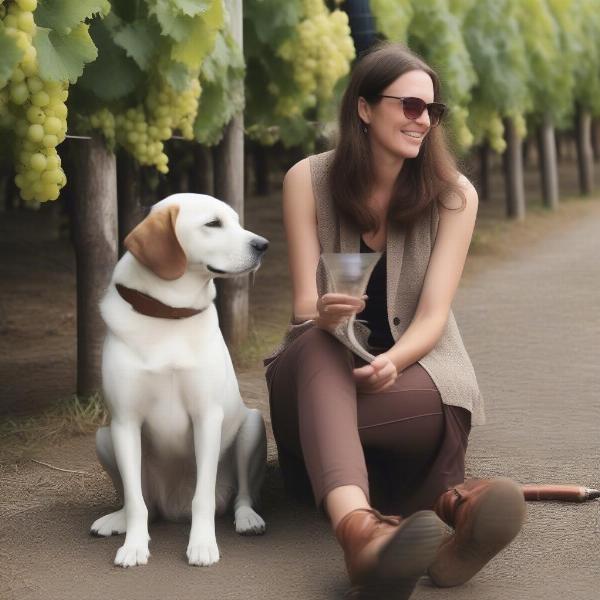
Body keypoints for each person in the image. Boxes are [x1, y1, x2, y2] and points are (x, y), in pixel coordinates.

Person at [263, 42, 526, 599]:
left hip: (410, 386)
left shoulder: (455, 196)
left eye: (433, 110)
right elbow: (303, 309)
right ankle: (433, 510)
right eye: (409, 106)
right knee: (316, 346)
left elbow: (432, 318)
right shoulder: (305, 181)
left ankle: (396, 529)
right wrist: (326, 314)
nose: (423, 121)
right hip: (311, 381)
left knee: (425, 397)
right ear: (364, 108)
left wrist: (394, 361)